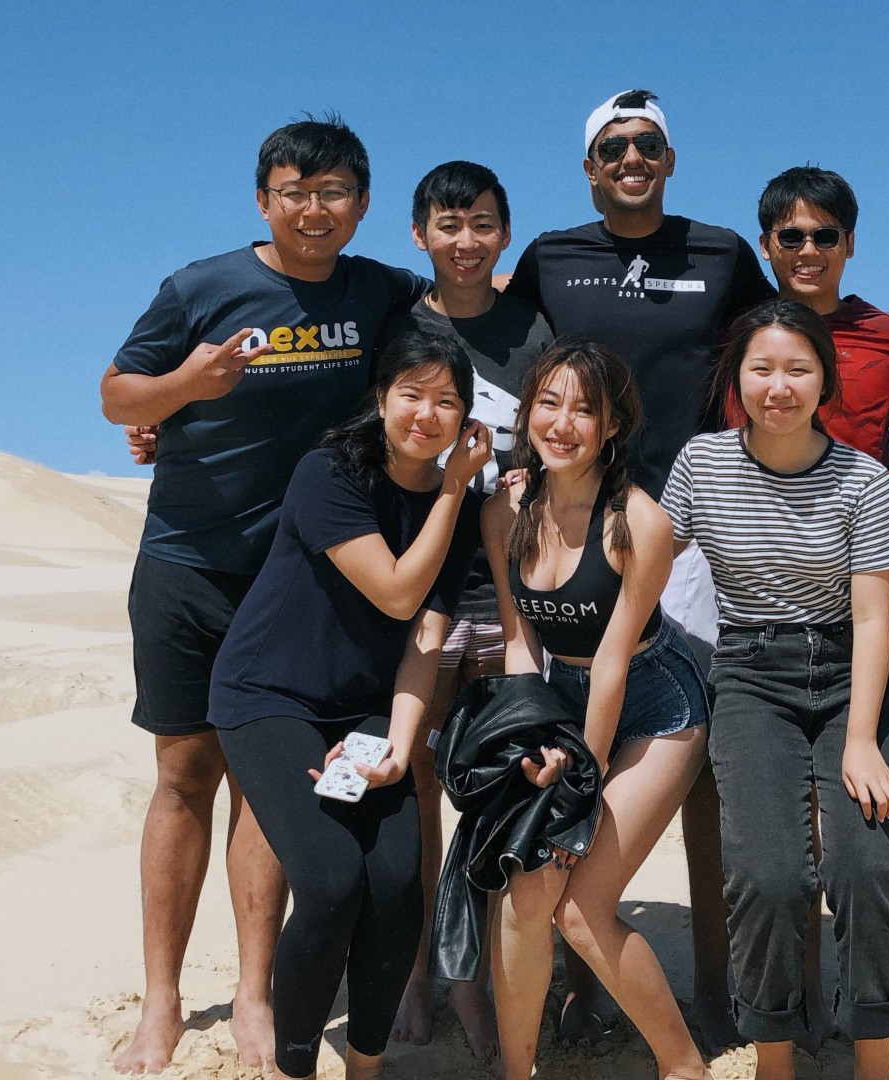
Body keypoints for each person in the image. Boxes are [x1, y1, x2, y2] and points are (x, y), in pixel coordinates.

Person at [96, 115, 426, 1074]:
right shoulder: (201, 288)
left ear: (360, 205)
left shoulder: (381, 293)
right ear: (262, 200)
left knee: (265, 788)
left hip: (299, 586)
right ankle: (160, 998)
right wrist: (183, 387)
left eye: (332, 195)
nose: (313, 211)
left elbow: (466, 311)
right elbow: (117, 395)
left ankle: (253, 990)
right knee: (183, 774)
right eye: (294, 192)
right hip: (189, 562)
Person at [499, 87, 773, 1049]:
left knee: (694, 774)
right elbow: (495, 351)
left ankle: (712, 985)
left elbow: (786, 345)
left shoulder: (722, 254)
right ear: (588, 165)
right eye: (612, 145)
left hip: (688, 534)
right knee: (573, 749)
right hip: (576, 528)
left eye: (647, 144)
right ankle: (579, 990)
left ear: (669, 159)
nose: (630, 158)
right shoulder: (549, 257)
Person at [208, 333, 491, 1080]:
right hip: (268, 697)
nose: (427, 414)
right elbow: (397, 588)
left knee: (397, 886)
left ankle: (365, 1066)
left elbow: (425, 634)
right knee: (332, 882)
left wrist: (401, 744)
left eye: (448, 401)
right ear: (380, 398)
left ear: (465, 415)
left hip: (365, 708)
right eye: (411, 394)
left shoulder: (461, 503)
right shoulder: (328, 472)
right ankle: (294, 1068)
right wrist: (454, 490)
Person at [661, 299, 889, 1080]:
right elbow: (639, 551)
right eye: (762, 368)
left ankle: (873, 1061)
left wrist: (859, 744)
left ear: (826, 379)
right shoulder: (701, 463)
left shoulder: (863, 477)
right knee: (768, 874)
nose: (779, 386)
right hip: (749, 673)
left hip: (858, 678)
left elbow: (876, 620)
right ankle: (773, 1058)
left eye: (798, 369)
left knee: (868, 865)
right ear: (736, 377)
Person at [732, 165, 889, 1051]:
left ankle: (864, 1037)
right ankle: (782, 1019)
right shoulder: (741, 331)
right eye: (791, 236)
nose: (809, 249)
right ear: (768, 246)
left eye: (826, 235)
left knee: (865, 844)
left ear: (850, 243)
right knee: (773, 855)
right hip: (766, 617)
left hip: (876, 608)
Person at [480, 339, 712, 1080]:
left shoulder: (640, 521)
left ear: (613, 426)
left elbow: (612, 661)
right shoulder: (505, 508)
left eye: (586, 409)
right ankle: (519, 1073)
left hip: (656, 704)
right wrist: (533, 732)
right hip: (561, 702)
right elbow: (521, 645)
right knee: (526, 886)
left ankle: (684, 1067)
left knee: (581, 909)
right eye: (548, 403)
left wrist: (578, 774)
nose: (563, 422)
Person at [378, 159, 553, 1055]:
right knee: (412, 795)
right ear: (420, 234)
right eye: (448, 224)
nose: (465, 240)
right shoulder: (397, 324)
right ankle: (416, 972)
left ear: (504, 233)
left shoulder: (534, 327)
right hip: (421, 596)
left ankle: (478, 975)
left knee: (495, 793)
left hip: (516, 595)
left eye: (482, 223)